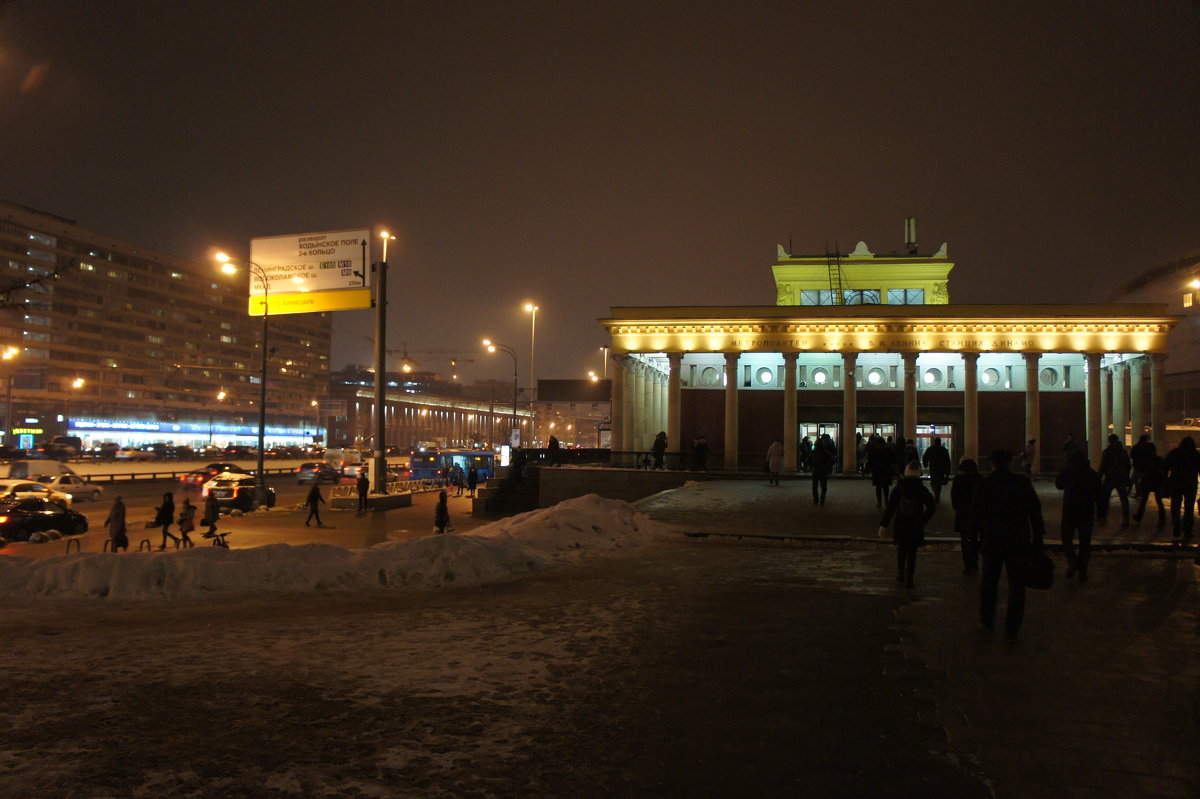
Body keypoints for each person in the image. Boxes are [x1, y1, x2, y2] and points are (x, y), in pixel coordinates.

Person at [968, 449, 1046, 642]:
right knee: (1017, 584)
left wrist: (972, 537)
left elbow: (976, 513)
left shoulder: (985, 484)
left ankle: (987, 620)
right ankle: (1012, 626)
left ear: (991, 463)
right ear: (1010, 462)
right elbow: (1035, 511)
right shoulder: (1021, 483)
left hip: (992, 539)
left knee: (989, 582)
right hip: (1017, 538)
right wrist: (1038, 536)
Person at [879, 461, 936, 588]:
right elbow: (932, 506)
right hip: (915, 524)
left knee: (901, 549)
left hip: (901, 523)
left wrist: (884, 525)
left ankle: (900, 574)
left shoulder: (899, 488)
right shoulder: (921, 489)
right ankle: (910, 576)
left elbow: (890, 508)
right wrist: (923, 519)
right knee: (912, 552)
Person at [1055, 449, 1101, 582]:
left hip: (1070, 509)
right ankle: (1083, 570)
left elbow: (1058, 485)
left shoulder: (1067, 471)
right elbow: (1099, 493)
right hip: (1086, 511)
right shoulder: (1091, 473)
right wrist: (1101, 512)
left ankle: (1071, 558)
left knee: (1066, 537)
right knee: (1085, 542)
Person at [1163, 436, 1200, 540]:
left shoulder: (1174, 453)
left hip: (1176, 483)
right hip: (1191, 484)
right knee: (1189, 508)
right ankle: (1187, 530)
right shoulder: (1195, 455)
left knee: (1175, 506)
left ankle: (1176, 525)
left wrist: (1165, 481)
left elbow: (1166, 467)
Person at [950, 457, 982, 574]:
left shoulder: (959, 480)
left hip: (963, 512)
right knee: (974, 538)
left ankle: (967, 564)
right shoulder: (979, 479)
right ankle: (975, 562)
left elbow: (954, 496)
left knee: (964, 539)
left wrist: (956, 507)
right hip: (977, 513)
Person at [1097, 434, 1132, 527]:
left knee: (1105, 497)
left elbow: (1103, 465)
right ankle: (1126, 519)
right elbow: (1128, 465)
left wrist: (1099, 477)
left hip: (1110, 477)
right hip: (1121, 477)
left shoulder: (1107, 452)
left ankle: (1102, 516)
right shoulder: (1123, 452)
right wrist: (1127, 476)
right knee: (1124, 499)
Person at [1131, 443, 1166, 528]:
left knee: (1144, 500)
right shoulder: (1158, 459)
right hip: (1157, 481)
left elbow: (1140, 470)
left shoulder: (1145, 460)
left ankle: (1139, 517)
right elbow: (1164, 470)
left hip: (1147, 481)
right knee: (1159, 501)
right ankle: (1162, 520)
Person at [867, 434, 896, 508]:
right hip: (886, 470)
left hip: (877, 470)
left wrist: (871, 467)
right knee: (886, 487)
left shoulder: (874, 449)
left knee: (878, 487)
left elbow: (870, 459)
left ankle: (879, 502)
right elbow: (892, 459)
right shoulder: (888, 449)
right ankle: (886, 501)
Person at [921, 436, 952, 503]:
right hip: (941, 469)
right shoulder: (944, 450)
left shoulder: (930, 449)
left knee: (934, 482)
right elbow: (947, 461)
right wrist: (947, 472)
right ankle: (937, 494)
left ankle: (936, 493)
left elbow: (925, 457)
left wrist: (925, 465)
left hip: (933, 468)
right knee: (939, 482)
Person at [809, 438, 833, 506]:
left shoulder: (813, 452)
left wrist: (812, 466)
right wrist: (827, 466)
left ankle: (815, 500)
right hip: (823, 470)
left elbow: (807, 461)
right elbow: (832, 460)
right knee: (823, 487)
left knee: (814, 486)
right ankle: (822, 500)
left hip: (815, 470)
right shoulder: (825, 452)